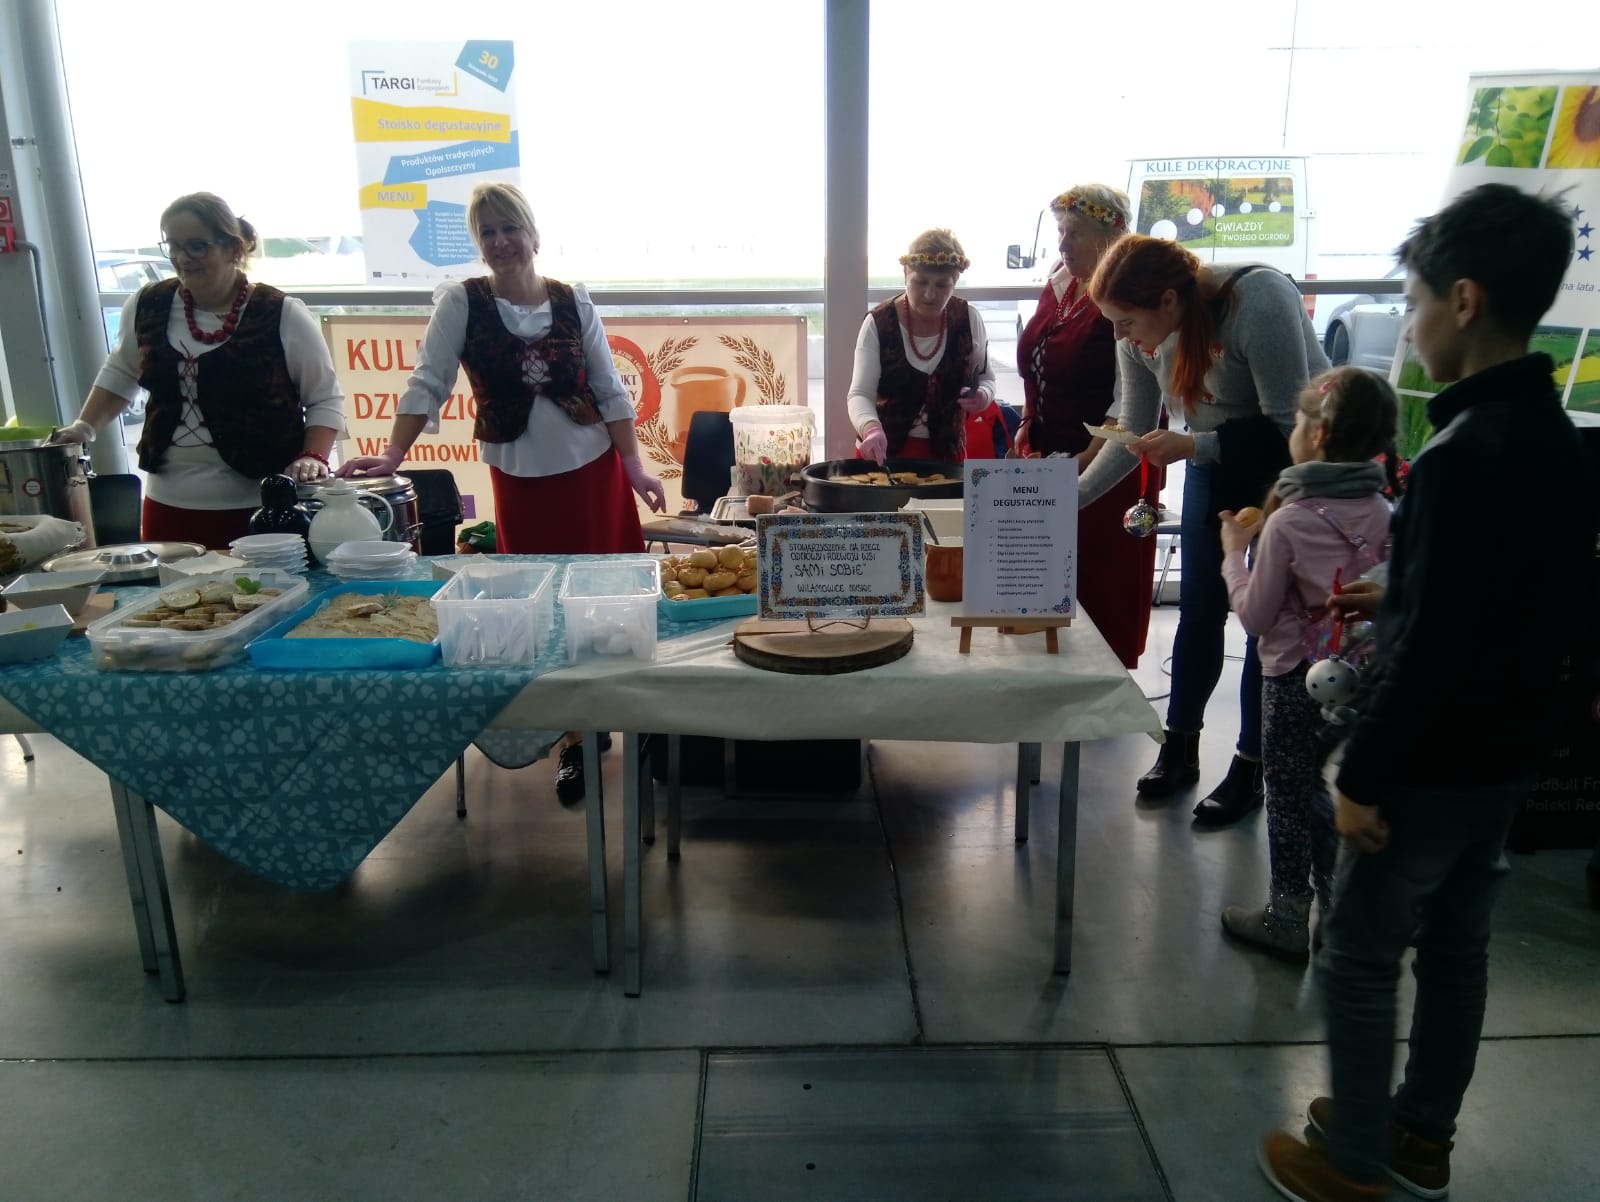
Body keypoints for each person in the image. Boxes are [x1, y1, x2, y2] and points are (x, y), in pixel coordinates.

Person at [1258, 183, 1596, 1202]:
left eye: (1411, 304)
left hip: (1428, 755)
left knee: (1360, 953)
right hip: (1508, 751)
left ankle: (1353, 1161)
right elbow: (1520, 600)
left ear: (1463, 299)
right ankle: (1419, 1130)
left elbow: (1437, 643)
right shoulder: (1556, 435)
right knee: (1457, 945)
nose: (1406, 326)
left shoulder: (1457, 453)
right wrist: (1402, 588)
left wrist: (1361, 774)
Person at [340, 181, 665, 803]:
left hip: (592, 473)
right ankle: (572, 734)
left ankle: (626, 716)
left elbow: (609, 387)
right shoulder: (461, 303)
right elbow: (427, 382)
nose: (500, 241)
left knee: (609, 600)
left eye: (510, 227)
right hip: (519, 479)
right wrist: (393, 455)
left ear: (533, 234)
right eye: (486, 232)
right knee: (544, 609)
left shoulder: (573, 299)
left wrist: (634, 465)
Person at [1084, 234, 1329, 823]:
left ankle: (1251, 764)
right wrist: (1070, 500)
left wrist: (1195, 444)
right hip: (1212, 459)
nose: (1119, 334)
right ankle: (1181, 746)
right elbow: (1132, 430)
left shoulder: (1256, 300)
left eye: (1125, 321)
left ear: (1168, 301)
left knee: (1268, 624)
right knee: (1199, 610)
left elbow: (1287, 429)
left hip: (1291, 463)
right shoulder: (1137, 336)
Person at [1216, 367, 1398, 961]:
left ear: (1317, 435)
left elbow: (1255, 616)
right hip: (1361, 676)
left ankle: (1287, 915)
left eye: (1297, 421)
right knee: (1327, 786)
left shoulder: (1289, 521)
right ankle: (1340, 915)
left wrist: (1234, 556)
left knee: (1290, 795)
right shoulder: (1385, 510)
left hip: (1294, 676)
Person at [56, 192, 344, 548]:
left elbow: (325, 399)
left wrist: (313, 456)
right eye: (173, 246)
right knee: (171, 585)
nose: (182, 258)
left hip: (262, 505)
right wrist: (84, 427)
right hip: (167, 503)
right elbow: (121, 372)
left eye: (197, 246)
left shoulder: (282, 313)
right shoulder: (147, 304)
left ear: (234, 248)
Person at [1015, 184, 1162, 668]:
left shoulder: (1128, 296)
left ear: (1111, 235)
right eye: (1060, 231)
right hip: (1051, 455)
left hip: (1108, 463)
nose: (1062, 244)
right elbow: (1039, 362)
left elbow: (1131, 403)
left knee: (1099, 582)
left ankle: (1101, 684)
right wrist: (1029, 422)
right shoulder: (1061, 283)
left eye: (1074, 233)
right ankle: (1051, 675)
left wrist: (1084, 462)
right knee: (1046, 577)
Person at [847, 229, 997, 465]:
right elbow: (859, 394)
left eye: (942, 285)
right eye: (920, 282)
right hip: (883, 456)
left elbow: (986, 378)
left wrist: (983, 395)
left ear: (955, 281)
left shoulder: (968, 319)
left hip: (948, 457)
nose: (929, 294)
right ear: (905, 273)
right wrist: (871, 428)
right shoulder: (878, 323)